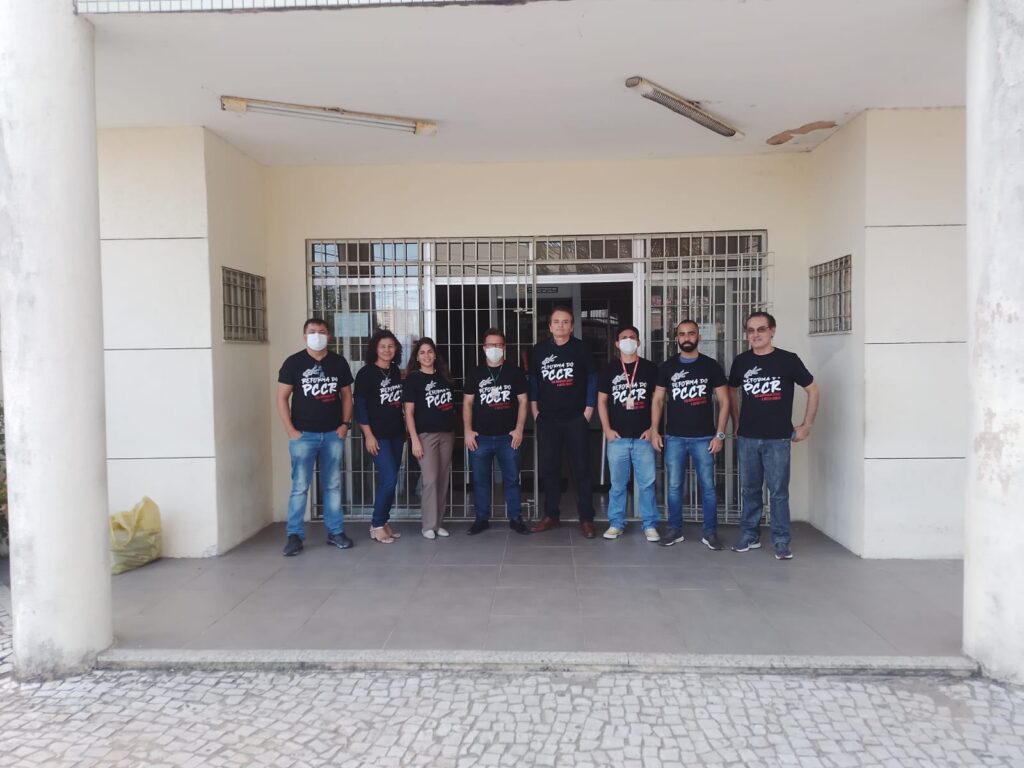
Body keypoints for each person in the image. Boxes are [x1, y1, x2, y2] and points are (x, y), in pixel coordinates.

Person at [728, 311, 819, 560]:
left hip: (778, 438)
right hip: (748, 438)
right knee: (749, 490)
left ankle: (781, 540)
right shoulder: (741, 361)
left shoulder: (788, 360)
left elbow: (813, 390)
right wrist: (737, 421)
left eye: (761, 329)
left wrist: (807, 425)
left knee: (778, 492)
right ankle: (750, 536)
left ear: (772, 331)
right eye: (750, 330)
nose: (755, 334)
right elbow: (731, 390)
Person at [650, 319, 731, 550]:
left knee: (708, 487)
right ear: (676, 338)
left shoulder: (711, 366)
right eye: (682, 334)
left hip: (704, 437)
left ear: (699, 337)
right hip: (674, 437)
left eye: (691, 333)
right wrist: (655, 430)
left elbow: (725, 401)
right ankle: (674, 529)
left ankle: (710, 532)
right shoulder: (667, 367)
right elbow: (657, 400)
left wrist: (720, 435)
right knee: (674, 486)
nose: (686, 338)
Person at [276, 318, 354, 556]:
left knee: (332, 485)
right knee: (300, 486)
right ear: (304, 336)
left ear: (329, 335)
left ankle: (335, 531)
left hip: (332, 434)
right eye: (312, 332)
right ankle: (294, 535)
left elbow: (347, 396)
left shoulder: (338, 363)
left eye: (321, 331)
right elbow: (282, 398)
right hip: (303, 436)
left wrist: (345, 424)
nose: (317, 335)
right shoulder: (294, 362)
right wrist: (291, 430)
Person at [529, 307, 598, 538]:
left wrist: (588, 411)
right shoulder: (539, 350)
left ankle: (586, 518)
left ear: (572, 326)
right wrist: (535, 411)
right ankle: (551, 515)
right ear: (550, 326)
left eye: (565, 321)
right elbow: (533, 382)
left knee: (582, 469)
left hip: (576, 418)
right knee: (550, 468)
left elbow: (592, 379)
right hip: (548, 419)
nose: (561, 325)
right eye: (556, 321)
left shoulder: (581, 348)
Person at [463, 329, 530, 536]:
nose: (495, 349)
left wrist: (519, 429)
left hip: (508, 437)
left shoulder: (514, 372)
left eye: (499, 345)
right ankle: (481, 519)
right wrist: (467, 431)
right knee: (480, 481)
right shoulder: (475, 373)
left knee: (512, 479)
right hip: (480, 437)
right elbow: (467, 403)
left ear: (504, 348)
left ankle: (516, 518)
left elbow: (523, 401)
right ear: (484, 348)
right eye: (491, 345)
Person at [597, 325, 660, 541]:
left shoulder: (650, 368)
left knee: (647, 484)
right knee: (617, 485)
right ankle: (616, 523)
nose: (628, 340)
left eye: (632, 337)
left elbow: (658, 401)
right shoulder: (609, 369)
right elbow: (602, 401)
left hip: (644, 437)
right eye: (624, 338)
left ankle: (649, 524)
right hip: (617, 438)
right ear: (617, 343)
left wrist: (653, 428)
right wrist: (606, 429)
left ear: (639, 342)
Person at [354, 329, 406, 544]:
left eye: (391, 346)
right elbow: (360, 407)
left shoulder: (395, 371)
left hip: (396, 434)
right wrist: (368, 435)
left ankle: (383, 522)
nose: (387, 350)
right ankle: (376, 525)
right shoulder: (366, 374)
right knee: (389, 478)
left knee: (391, 479)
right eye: (383, 346)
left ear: (396, 349)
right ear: (375, 349)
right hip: (377, 436)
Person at [403, 338, 456, 540]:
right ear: (417, 357)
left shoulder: (444, 377)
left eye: (430, 351)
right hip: (425, 436)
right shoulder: (413, 379)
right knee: (430, 479)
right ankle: (428, 525)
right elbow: (409, 413)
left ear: (435, 354)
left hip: (447, 434)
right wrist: (414, 440)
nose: (426, 355)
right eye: (422, 352)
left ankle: (438, 523)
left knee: (442, 479)